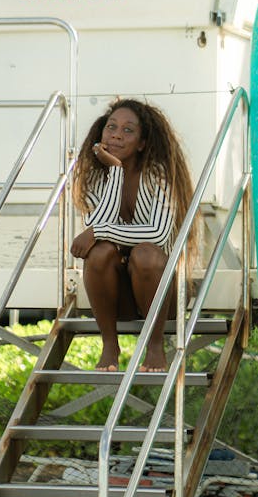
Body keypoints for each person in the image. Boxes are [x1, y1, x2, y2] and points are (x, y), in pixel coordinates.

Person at [70, 98, 195, 372]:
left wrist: (99, 231)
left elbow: (158, 234)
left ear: (142, 143)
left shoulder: (160, 174)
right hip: (120, 297)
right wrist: (115, 171)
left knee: (146, 253)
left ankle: (154, 344)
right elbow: (97, 239)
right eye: (111, 127)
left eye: (128, 130)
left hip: (162, 295)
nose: (116, 134)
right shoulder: (93, 178)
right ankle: (109, 344)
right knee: (100, 252)